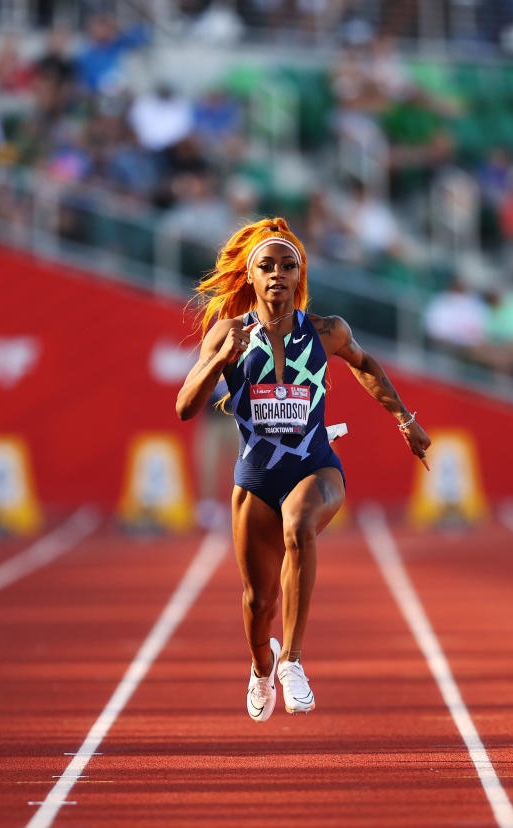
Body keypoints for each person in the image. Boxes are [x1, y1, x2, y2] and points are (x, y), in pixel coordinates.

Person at [175, 217, 430, 722]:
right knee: (256, 601)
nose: (276, 276)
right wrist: (217, 361)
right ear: (250, 277)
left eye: (287, 266)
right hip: (255, 477)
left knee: (300, 527)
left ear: (300, 275)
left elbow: (366, 365)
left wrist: (404, 419)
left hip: (316, 462)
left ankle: (292, 659)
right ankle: (261, 664)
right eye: (266, 267)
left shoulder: (327, 331)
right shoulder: (229, 333)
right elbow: (184, 406)